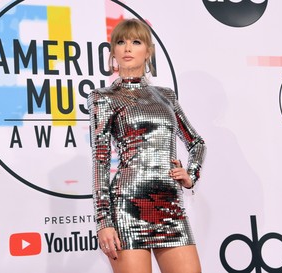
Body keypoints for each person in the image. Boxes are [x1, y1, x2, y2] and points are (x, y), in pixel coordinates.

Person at [87, 18, 206, 273]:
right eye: (121, 42)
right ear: (113, 53)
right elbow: (100, 161)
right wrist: (103, 222)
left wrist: (191, 174)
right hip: (127, 208)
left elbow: (196, 142)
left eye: (136, 42)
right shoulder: (103, 98)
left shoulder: (166, 96)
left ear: (148, 51)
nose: (127, 48)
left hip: (171, 208)